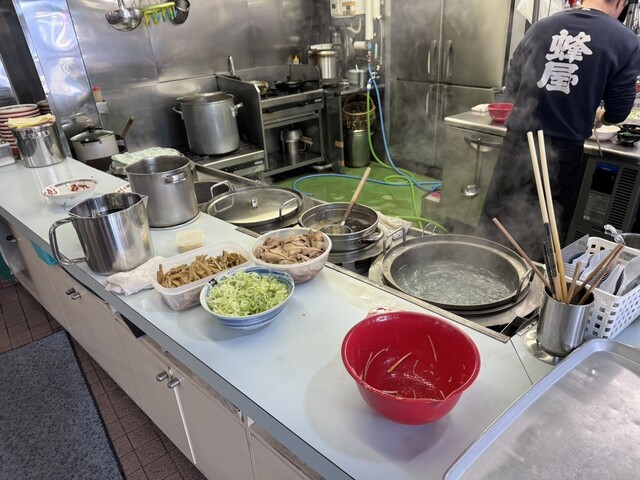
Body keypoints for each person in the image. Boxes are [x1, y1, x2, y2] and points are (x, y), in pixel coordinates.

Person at [479, 0, 640, 260]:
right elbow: (619, 110)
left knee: (498, 220)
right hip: (562, 154)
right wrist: (600, 114)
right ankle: (533, 280)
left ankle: (482, 268)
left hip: (518, 142)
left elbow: (512, 85)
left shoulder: (541, 26)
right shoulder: (626, 41)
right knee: (546, 230)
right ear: (621, 2)